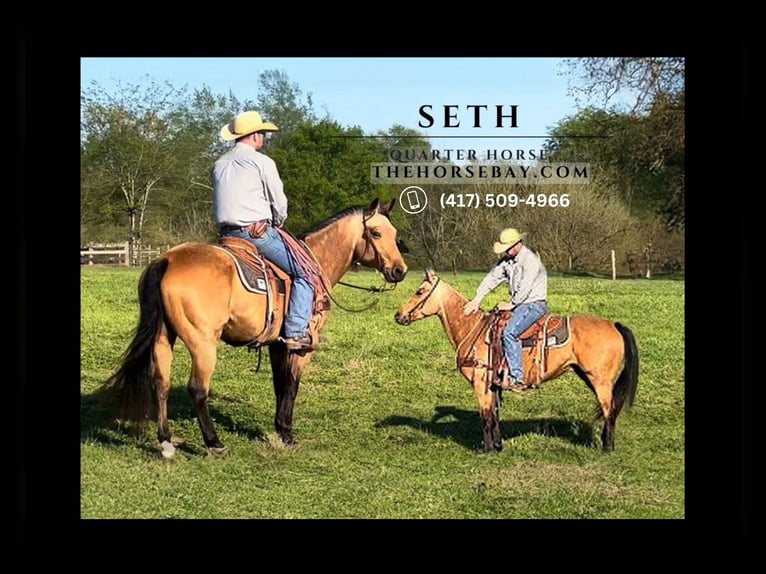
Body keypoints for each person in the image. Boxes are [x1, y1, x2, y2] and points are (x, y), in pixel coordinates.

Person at [212, 110, 315, 351]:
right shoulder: (262, 162)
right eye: (263, 133)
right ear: (256, 135)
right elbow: (279, 202)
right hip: (255, 234)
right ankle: (296, 332)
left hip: (226, 236)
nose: (264, 138)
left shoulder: (218, 164)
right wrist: (278, 221)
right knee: (306, 273)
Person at [463, 228, 548, 391]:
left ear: (518, 244)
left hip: (533, 304)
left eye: (508, 248)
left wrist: (511, 304)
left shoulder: (530, 261)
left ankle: (517, 377)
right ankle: (499, 368)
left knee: (509, 332)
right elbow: (491, 279)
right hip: (520, 303)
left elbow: (525, 287)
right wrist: (477, 299)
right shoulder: (507, 262)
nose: (506, 252)